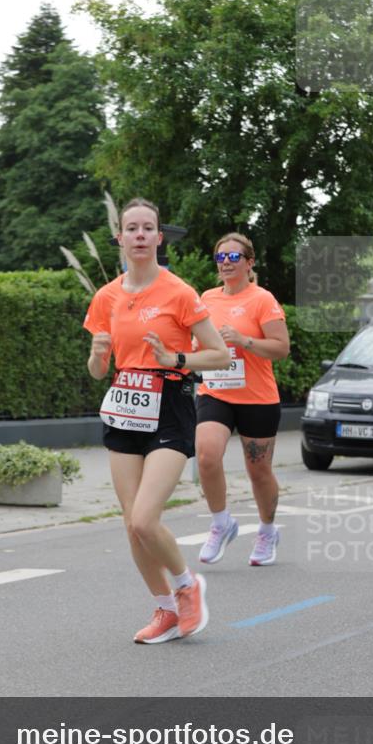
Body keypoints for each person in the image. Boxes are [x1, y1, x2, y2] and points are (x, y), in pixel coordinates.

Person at [83, 198, 231, 643]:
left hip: (169, 402)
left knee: (146, 519)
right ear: (121, 238)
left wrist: (178, 358)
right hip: (125, 405)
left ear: (159, 237)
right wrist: (96, 356)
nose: (141, 235)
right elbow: (97, 370)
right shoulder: (105, 297)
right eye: (133, 228)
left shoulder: (179, 292)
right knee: (131, 524)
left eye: (149, 228)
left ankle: (187, 586)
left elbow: (220, 355)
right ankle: (166, 610)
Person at [195, 233, 290, 566]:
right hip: (216, 391)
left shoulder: (262, 299)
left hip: (257, 397)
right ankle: (222, 522)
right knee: (206, 456)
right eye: (220, 257)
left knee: (259, 471)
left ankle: (267, 531)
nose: (226, 263)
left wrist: (244, 340)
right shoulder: (206, 298)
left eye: (234, 257)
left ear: (250, 264)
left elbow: (281, 348)